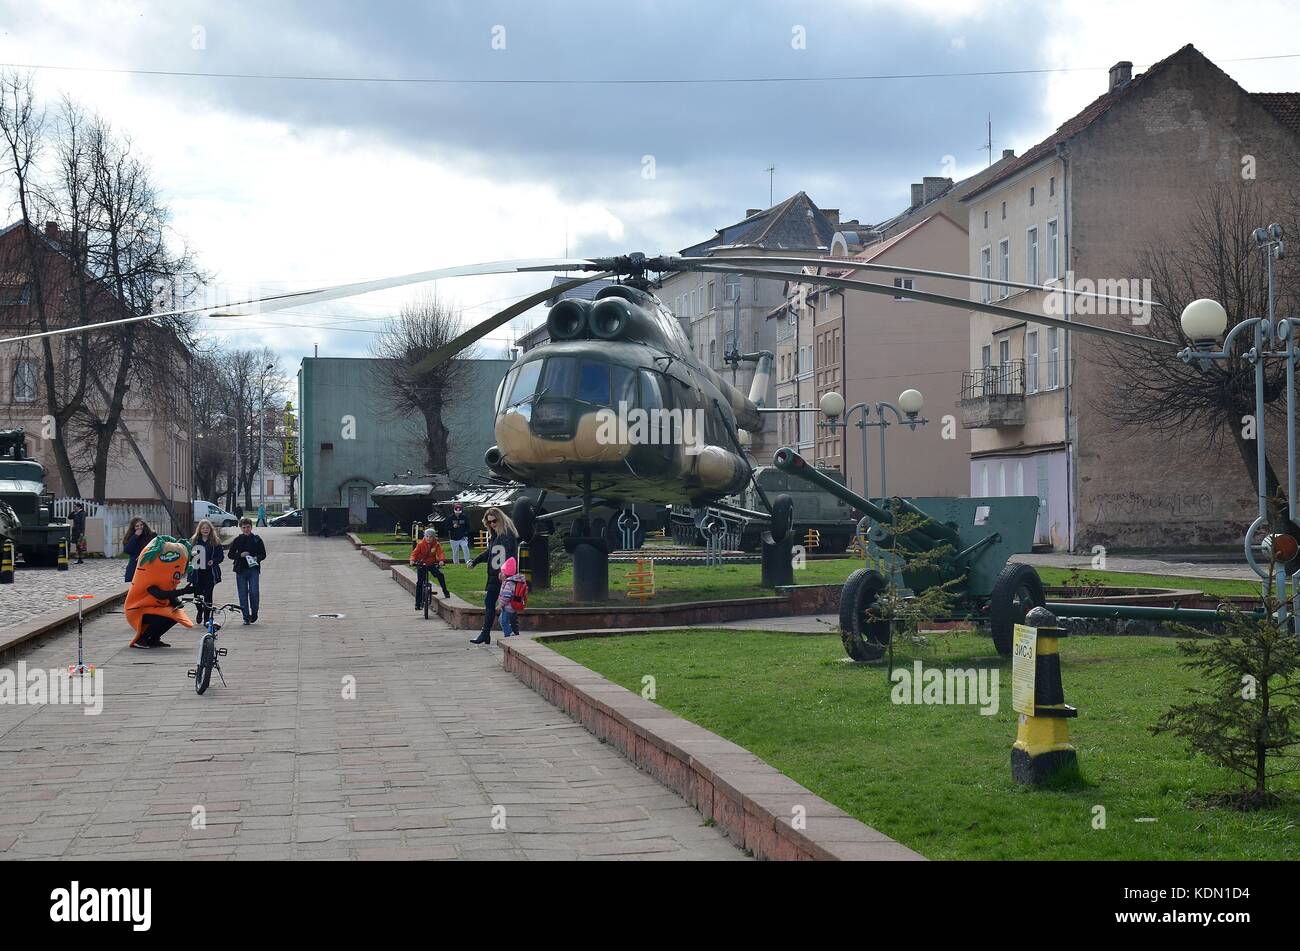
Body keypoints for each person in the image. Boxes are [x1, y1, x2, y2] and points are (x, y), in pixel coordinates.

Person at [125, 535, 195, 649]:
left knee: (174, 616)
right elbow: (159, 594)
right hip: (138, 610)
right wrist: (183, 591)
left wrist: (177, 603)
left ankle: (153, 638)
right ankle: (142, 639)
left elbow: (168, 593)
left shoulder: (165, 580)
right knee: (164, 617)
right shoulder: (147, 580)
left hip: (153, 608)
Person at [469, 507, 517, 645]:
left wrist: (506, 572)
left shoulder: (506, 534)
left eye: (494, 521)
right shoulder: (496, 534)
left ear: (500, 519)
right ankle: (486, 634)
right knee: (491, 603)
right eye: (489, 522)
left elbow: (509, 554)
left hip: (502, 576)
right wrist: (475, 561)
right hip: (494, 575)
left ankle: (491, 634)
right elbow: (490, 553)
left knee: (506, 607)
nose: (492, 524)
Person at [228, 517, 267, 625]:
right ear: (240, 528)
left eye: (248, 527)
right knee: (243, 594)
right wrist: (239, 555)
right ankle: (245, 617)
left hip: (253, 569)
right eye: (244, 527)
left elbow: (263, 554)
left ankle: (254, 612)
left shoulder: (257, 539)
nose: (246, 529)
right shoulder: (237, 540)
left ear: (251, 527)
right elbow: (230, 555)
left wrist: (256, 558)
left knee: (254, 592)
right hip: (240, 570)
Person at [188, 518, 225, 625]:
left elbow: (221, 556)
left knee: (208, 595)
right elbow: (188, 555)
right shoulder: (194, 541)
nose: (205, 530)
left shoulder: (215, 541)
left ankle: (207, 618)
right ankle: (200, 610)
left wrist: (213, 561)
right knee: (197, 595)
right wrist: (192, 556)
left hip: (209, 573)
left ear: (210, 529)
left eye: (207, 528)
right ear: (199, 529)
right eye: (203, 528)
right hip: (197, 572)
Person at [410, 527, 450, 609]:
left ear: (434, 537)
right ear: (424, 536)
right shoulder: (420, 544)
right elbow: (414, 553)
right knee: (420, 583)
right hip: (422, 564)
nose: (428, 538)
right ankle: (418, 603)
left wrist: (441, 560)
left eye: (431, 536)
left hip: (431, 564)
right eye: (427, 536)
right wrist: (412, 560)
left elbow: (440, 553)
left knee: (440, 575)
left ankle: (445, 591)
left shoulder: (436, 544)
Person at [495, 556, 528, 638]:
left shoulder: (509, 583)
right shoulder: (510, 581)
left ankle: (509, 635)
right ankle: (512, 633)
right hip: (511, 606)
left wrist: (500, 605)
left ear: (505, 574)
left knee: (504, 621)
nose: (500, 574)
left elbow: (506, 596)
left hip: (508, 607)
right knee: (502, 620)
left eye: (502, 572)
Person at [122, 518, 155, 583]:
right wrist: (135, 536)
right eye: (137, 526)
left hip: (148, 563)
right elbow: (127, 550)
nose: (140, 527)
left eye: (141, 525)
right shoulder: (130, 536)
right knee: (130, 582)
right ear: (133, 527)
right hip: (134, 564)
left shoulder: (151, 535)